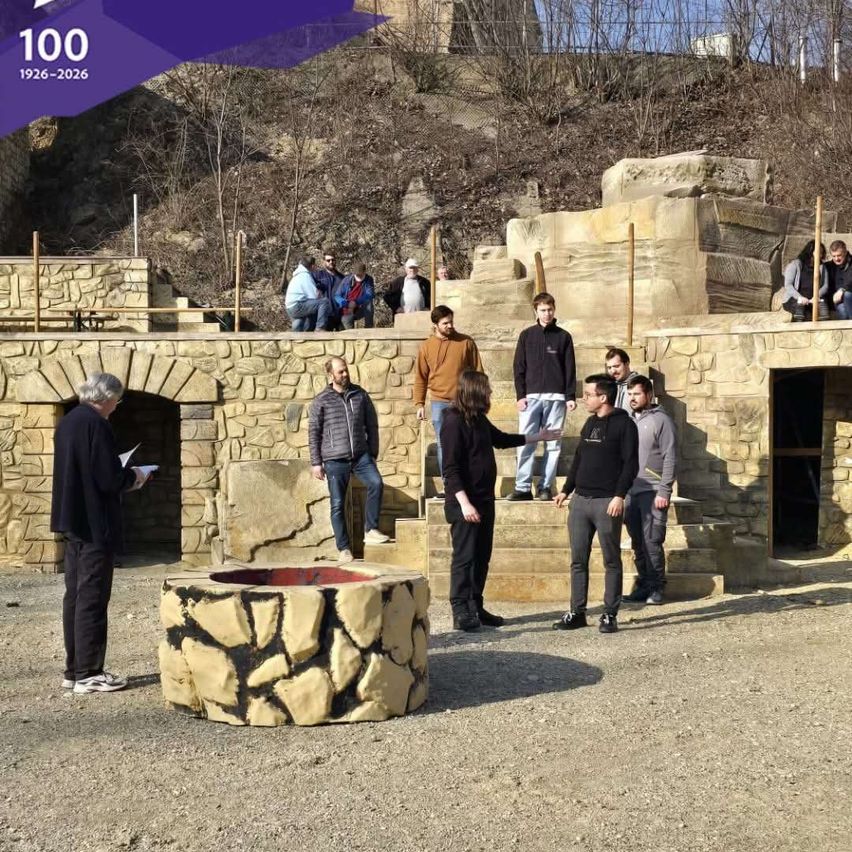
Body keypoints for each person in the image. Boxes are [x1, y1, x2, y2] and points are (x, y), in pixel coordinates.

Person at [50, 373, 149, 694]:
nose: (115, 408)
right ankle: (89, 672)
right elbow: (107, 479)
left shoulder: (68, 421)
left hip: (73, 518)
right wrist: (133, 476)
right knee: (92, 596)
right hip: (94, 521)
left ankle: (74, 669)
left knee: (75, 596)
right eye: (116, 402)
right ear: (107, 399)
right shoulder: (96, 425)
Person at [441, 370, 561, 631]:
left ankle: (476, 605)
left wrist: (538, 437)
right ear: (474, 391)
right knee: (465, 557)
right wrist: (464, 503)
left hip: (484, 500)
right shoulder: (453, 421)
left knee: (482, 556)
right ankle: (460, 609)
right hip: (465, 503)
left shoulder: (478, 419)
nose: (490, 394)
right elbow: (450, 469)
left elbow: (502, 440)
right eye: (486, 390)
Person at [553, 374, 639, 635]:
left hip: (606, 502)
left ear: (603, 397)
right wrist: (566, 490)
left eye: (588, 394)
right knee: (578, 560)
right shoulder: (590, 423)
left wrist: (619, 496)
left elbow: (630, 464)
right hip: (581, 501)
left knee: (611, 560)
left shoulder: (625, 425)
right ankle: (577, 612)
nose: (584, 398)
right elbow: (579, 458)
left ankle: (609, 614)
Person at [309, 357, 390, 564]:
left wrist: (372, 452)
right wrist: (316, 462)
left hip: (361, 456)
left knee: (376, 483)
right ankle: (344, 549)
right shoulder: (321, 400)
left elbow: (371, 424)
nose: (345, 375)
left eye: (346, 371)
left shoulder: (360, 395)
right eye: (340, 372)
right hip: (335, 459)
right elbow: (314, 432)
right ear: (331, 375)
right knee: (337, 504)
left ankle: (370, 529)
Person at [508, 292, 577, 502]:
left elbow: (570, 368)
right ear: (536, 311)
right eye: (542, 310)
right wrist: (520, 395)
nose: (547, 314)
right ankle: (522, 487)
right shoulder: (527, 335)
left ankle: (545, 487)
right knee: (527, 442)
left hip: (556, 398)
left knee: (553, 445)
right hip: (531, 398)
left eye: (550, 310)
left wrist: (570, 395)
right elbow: (519, 367)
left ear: (554, 310)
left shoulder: (564, 337)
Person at [414, 306, 483, 495]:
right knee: (444, 444)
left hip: (464, 402)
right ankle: (450, 485)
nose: (450, 326)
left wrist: (478, 399)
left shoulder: (466, 342)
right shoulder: (426, 346)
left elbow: (478, 372)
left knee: (468, 442)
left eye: (451, 321)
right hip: (439, 403)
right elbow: (421, 377)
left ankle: (469, 483)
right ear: (435, 325)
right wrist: (419, 403)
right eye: (445, 323)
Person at [623, 375, 677, 606]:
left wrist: (664, 491)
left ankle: (657, 587)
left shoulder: (661, 420)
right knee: (637, 540)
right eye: (629, 394)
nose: (632, 398)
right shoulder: (629, 420)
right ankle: (643, 584)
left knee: (652, 539)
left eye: (636, 394)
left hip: (653, 490)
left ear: (648, 394)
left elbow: (670, 457)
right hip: (630, 490)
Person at [781, 240, 828, 322]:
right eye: (818, 252)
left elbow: (825, 285)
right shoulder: (795, 265)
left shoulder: (822, 267)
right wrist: (800, 297)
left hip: (814, 299)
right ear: (810, 251)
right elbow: (788, 285)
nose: (820, 255)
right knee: (801, 310)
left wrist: (817, 296)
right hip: (795, 299)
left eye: (821, 253)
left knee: (823, 310)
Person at [285, 256, 332, 331]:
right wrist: (319, 292)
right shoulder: (305, 276)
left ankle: (296, 336)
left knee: (299, 321)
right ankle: (320, 328)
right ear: (312, 266)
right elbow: (314, 296)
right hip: (297, 306)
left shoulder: (297, 275)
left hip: (289, 307)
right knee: (324, 302)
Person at [334, 262, 375, 329]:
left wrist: (356, 302)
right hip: (347, 309)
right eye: (357, 275)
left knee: (369, 303)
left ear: (365, 271)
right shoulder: (346, 280)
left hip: (360, 307)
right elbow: (337, 296)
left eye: (360, 275)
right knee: (347, 326)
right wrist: (347, 304)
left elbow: (370, 294)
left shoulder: (368, 280)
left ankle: (369, 328)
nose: (358, 277)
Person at [313, 249, 346, 330]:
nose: (331, 262)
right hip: (325, 316)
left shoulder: (342, 278)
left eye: (333, 260)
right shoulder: (317, 276)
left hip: (340, 316)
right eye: (328, 260)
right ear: (324, 261)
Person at [826, 240, 852, 320]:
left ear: (845, 252)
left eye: (839, 255)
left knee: (847, 295)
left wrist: (842, 290)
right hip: (838, 300)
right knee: (842, 311)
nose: (836, 259)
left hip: (850, 296)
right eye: (834, 256)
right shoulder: (829, 266)